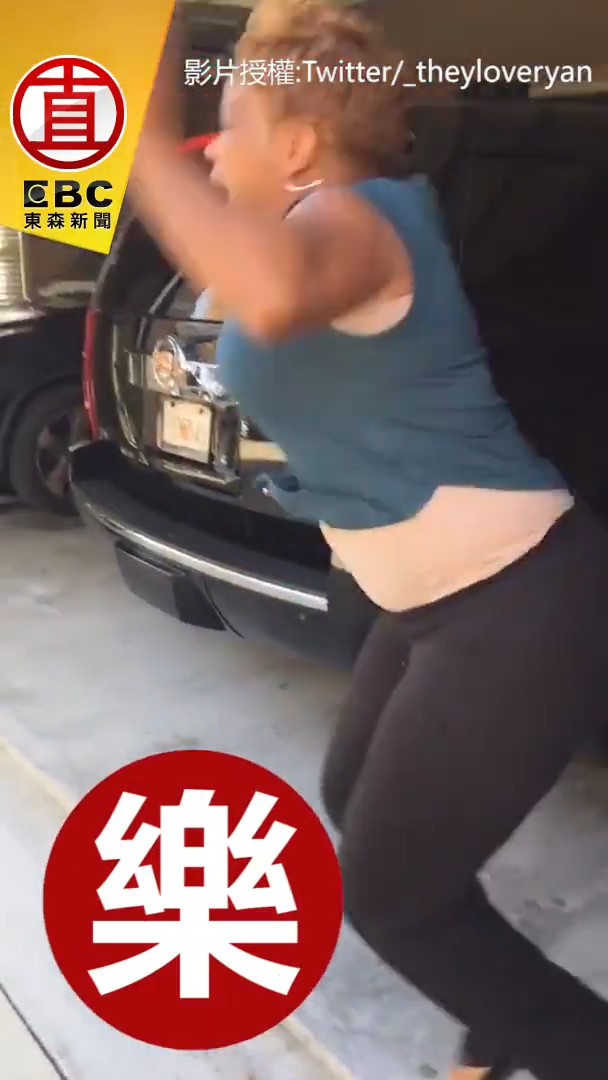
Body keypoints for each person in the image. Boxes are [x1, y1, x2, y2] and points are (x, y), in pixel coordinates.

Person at [128, 1, 608, 1076]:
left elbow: (272, 292)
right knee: (361, 808)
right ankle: (505, 1011)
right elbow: (248, 271)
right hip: (428, 606)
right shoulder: (311, 224)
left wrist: (145, 145)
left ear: (299, 145)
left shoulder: (363, 222)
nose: (217, 152)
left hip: (518, 602)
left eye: (231, 128)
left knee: (391, 898)